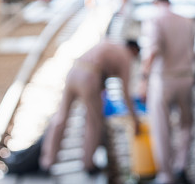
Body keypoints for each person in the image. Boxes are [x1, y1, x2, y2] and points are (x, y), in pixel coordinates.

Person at [40, 39, 141, 174]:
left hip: (74, 71)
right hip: (90, 76)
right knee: (93, 122)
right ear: (134, 51)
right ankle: (88, 163)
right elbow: (126, 94)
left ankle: (47, 161)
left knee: (61, 116)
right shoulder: (126, 56)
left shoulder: (110, 44)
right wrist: (135, 119)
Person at [142, 0, 195, 184]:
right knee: (186, 124)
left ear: (156, 1)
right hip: (186, 78)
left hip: (163, 80)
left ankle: (166, 175)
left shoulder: (155, 21)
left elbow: (153, 51)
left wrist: (143, 78)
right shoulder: (187, 21)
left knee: (161, 127)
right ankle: (181, 165)